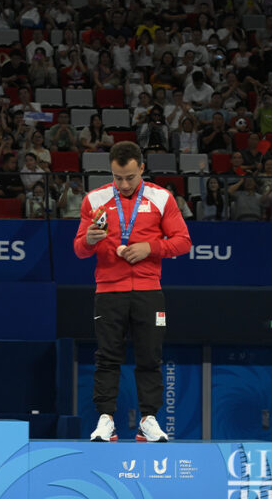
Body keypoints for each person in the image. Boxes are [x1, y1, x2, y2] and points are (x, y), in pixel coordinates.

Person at [73, 142, 192, 442]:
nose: (124, 184)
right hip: (108, 290)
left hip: (149, 290)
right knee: (107, 357)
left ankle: (148, 421)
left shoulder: (161, 198)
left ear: (141, 168)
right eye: (117, 177)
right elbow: (79, 250)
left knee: (150, 357)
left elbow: (183, 241)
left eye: (129, 177)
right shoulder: (95, 200)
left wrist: (150, 248)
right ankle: (105, 421)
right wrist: (88, 239)